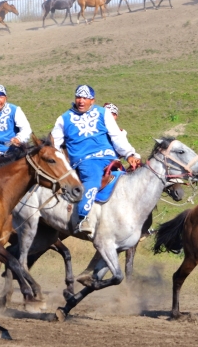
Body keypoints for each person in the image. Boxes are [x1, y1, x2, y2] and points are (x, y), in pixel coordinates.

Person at [51, 85, 141, 236]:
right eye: (78, 97)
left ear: (92, 100)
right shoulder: (64, 119)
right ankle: (82, 219)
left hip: (109, 158)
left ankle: (132, 222)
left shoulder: (103, 113)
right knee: (92, 180)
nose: (81, 101)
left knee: (128, 181)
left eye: (85, 98)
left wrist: (130, 154)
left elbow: (116, 137)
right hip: (85, 160)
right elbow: (53, 144)